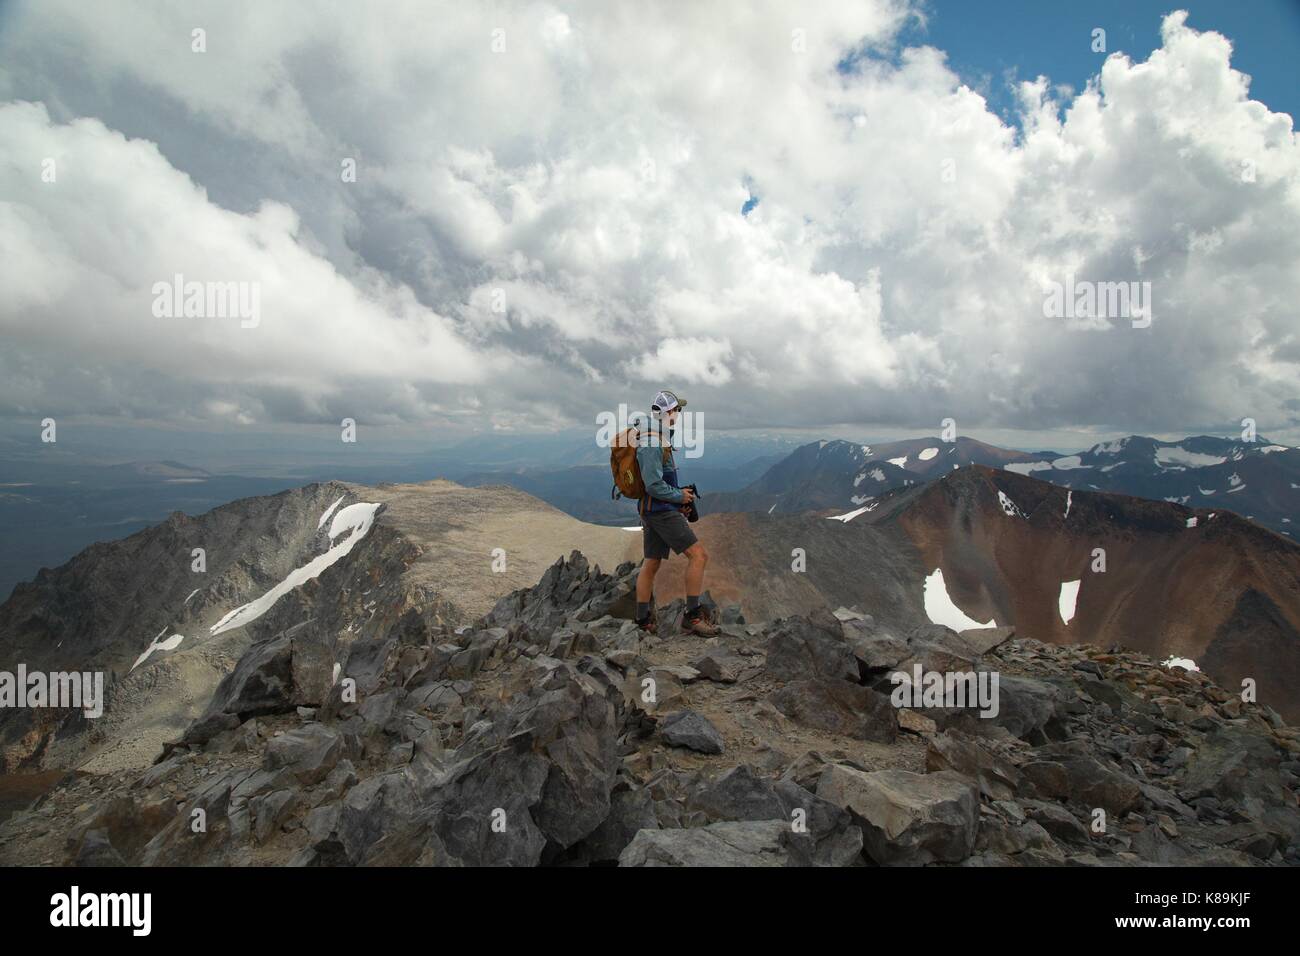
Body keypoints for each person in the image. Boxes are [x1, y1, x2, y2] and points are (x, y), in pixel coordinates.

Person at [634, 389, 717, 636]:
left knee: (652, 562)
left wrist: (678, 496)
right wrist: (678, 496)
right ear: (669, 412)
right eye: (677, 410)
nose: (679, 414)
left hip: (656, 509)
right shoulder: (651, 441)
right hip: (659, 512)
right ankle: (691, 617)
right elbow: (652, 484)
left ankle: (642, 620)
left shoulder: (657, 437)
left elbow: (658, 482)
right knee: (699, 556)